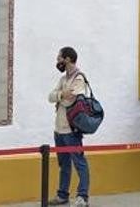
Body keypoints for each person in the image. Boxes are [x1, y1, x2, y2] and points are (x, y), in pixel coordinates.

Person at [48, 47, 90, 207]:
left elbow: (72, 97)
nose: (57, 61)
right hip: (59, 129)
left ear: (67, 59)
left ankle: (82, 197)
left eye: (59, 58)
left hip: (71, 129)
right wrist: (60, 94)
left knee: (79, 162)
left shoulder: (79, 78)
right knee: (63, 164)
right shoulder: (63, 79)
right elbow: (51, 96)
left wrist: (62, 95)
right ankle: (62, 195)